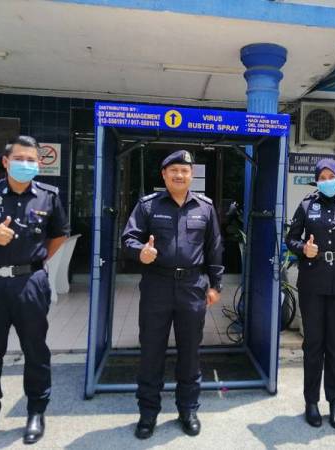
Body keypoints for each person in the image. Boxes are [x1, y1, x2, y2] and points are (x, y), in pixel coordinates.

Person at [0, 136, 69, 448]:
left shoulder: (48, 196)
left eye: (32, 160)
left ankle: (36, 412)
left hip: (29, 283)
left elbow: (59, 234)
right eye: (20, 159)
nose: (26, 164)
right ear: (6, 162)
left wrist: (35, 261)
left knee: (35, 350)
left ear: (39, 164)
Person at [121, 150, 224, 439]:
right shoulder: (148, 206)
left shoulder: (205, 207)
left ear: (192, 175)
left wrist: (215, 285)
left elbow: (215, 247)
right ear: (164, 174)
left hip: (192, 286)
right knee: (151, 351)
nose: (179, 175)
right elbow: (128, 238)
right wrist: (140, 252)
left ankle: (188, 409)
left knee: (190, 352)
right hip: (157, 285)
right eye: (174, 170)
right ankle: (148, 413)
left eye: (184, 170)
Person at [285, 158, 335, 429]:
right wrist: (303, 249)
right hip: (313, 283)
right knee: (313, 344)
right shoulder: (307, 205)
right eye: (322, 177)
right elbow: (291, 238)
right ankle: (311, 402)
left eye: (331, 175)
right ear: (317, 180)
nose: (327, 180)